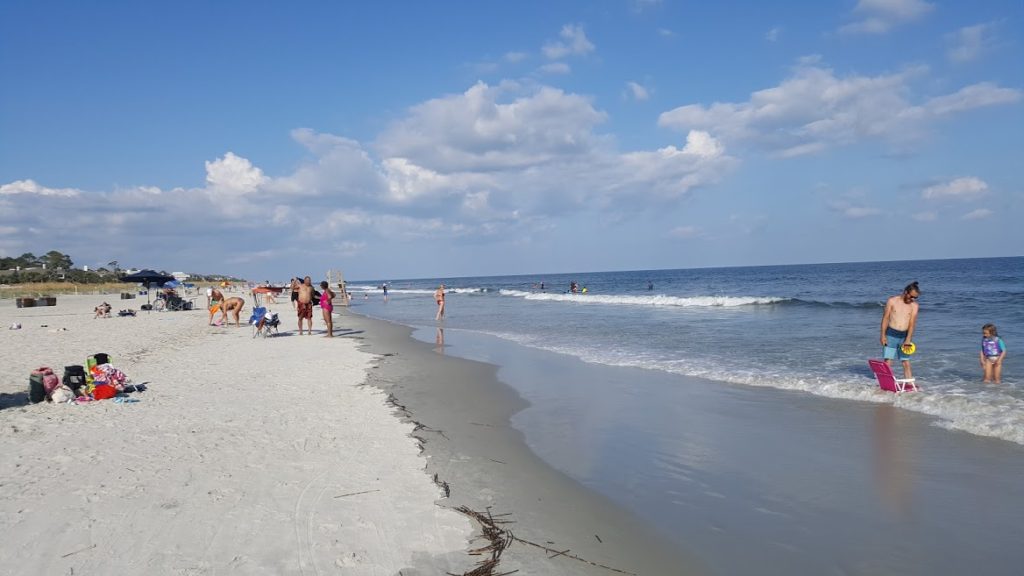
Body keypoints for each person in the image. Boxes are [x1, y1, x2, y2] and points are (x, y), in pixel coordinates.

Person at [880, 281, 920, 379]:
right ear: (906, 292)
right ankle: (887, 383)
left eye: (915, 297)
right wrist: (882, 335)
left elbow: (912, 324)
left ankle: (910, 384)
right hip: (891, 335)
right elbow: (885, 318)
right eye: (912, 296)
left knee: (906, 362)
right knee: (888, 361)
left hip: (904, 336)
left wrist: (908, 339)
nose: (913, 299)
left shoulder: (914, 306)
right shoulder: (892, 301)